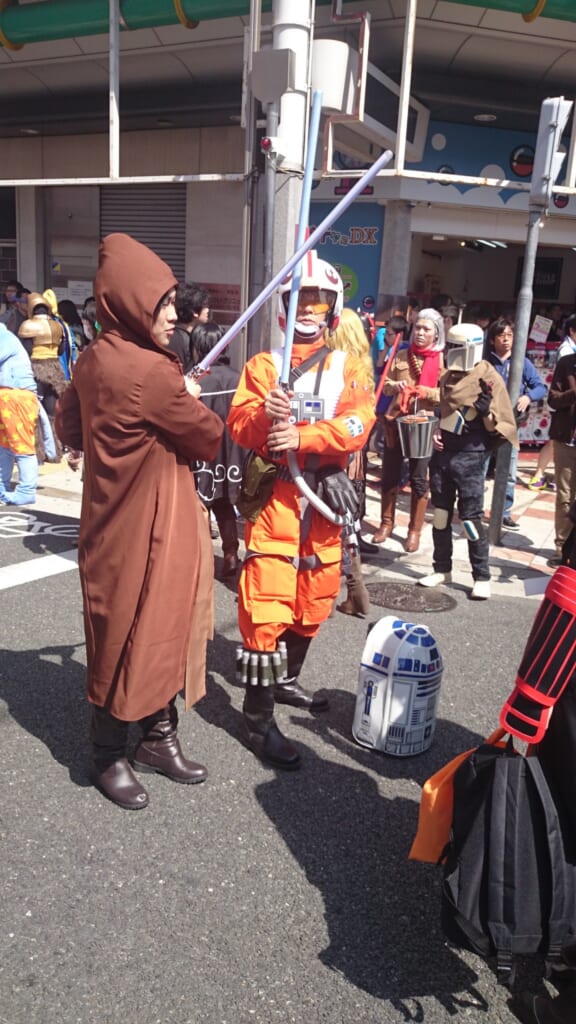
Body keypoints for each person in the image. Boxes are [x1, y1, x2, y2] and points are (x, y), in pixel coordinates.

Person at [55, 233, 224, 811]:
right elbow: (210, 438)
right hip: (152, 521)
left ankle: (155, 737)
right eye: (162, 302)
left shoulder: (94, 355)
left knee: (133, 629)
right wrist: (192, 396)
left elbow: (69, 424)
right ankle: (108, 754)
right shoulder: (152, 373)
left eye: (173, 300)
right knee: (138, 632)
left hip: (110, 517)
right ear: (129, 301)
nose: (173, 314)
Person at [227, 253, 375, 770]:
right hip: (277, 501)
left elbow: (360, 423)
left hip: (325, 502)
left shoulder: (348, 366)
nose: (310, 308)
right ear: (286, 307)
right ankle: (257, 719)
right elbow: (238, 424)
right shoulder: (264, 366)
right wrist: (264, 419)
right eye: (301, 299)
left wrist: (310, 437)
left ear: (334, 309)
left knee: (313, 603)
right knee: (266, 610)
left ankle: (285, 681)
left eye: (320, 300)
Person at [418, 323, 518, 600]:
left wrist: (485, 412)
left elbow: (497, 427)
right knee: (440, 515)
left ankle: (481, 575)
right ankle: (442, 568)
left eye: (455, 347)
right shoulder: (448, 375)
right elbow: (445, 410)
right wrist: (438, 429)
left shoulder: (488, 377)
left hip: (472, 455)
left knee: (471, 519)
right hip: (444, 454)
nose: (451, 352)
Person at [373, 308, 444, 553]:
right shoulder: (401, 354)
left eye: (427, 329)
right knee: (390, 474)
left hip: (423, 424)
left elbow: (446, 394)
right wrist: (397, 385)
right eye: (418, 328)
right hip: (396, 421)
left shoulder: (441, 360)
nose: (421, 333)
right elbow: (386, 385)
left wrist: (426, 392)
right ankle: (386, 523)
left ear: (436, 333)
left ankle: (414, 530)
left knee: (418, 478)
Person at [324, 306, 375, 616]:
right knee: (346, 527)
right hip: (354, 458)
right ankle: (356, 593)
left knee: (328, 527)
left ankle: (325, 596)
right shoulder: (363, 368)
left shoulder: (336, 370)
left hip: (335, 456)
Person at [189, 319, 244, 579]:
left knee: (200, 504)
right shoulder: (239, 378)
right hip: (232, 452)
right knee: (224, 504)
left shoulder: (193, 381)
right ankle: (231, 553)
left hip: (202, 450)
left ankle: (201, 559)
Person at [485, 316, 547, 529]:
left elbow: (540, 386)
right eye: (501, 336)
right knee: (479, 468)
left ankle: (504, 512)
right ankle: (472, 507)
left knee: (509, 471)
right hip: (486, 423)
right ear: (492, 339)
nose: (506, 340)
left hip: (511, 425)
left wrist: (528, 396)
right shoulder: (485, 362)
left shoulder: (522, 362)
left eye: (509, 335)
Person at [0, 323, 56, 504]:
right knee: (5, 447)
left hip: (18, 397)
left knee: (22, 447)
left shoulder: (5, 339)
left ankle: (26, 490)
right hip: (9, 397)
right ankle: (2, 486)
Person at [546, 350, 576, 567]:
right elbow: (553, 399)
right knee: (564, 495)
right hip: (567, 439)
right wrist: (573, 394)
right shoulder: (567, 364)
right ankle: (562, 546)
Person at [167, 282, 211, 368]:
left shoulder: (175, 334)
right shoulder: (182, 340)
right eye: (205, 306)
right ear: (194, 312)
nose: (208, 310)